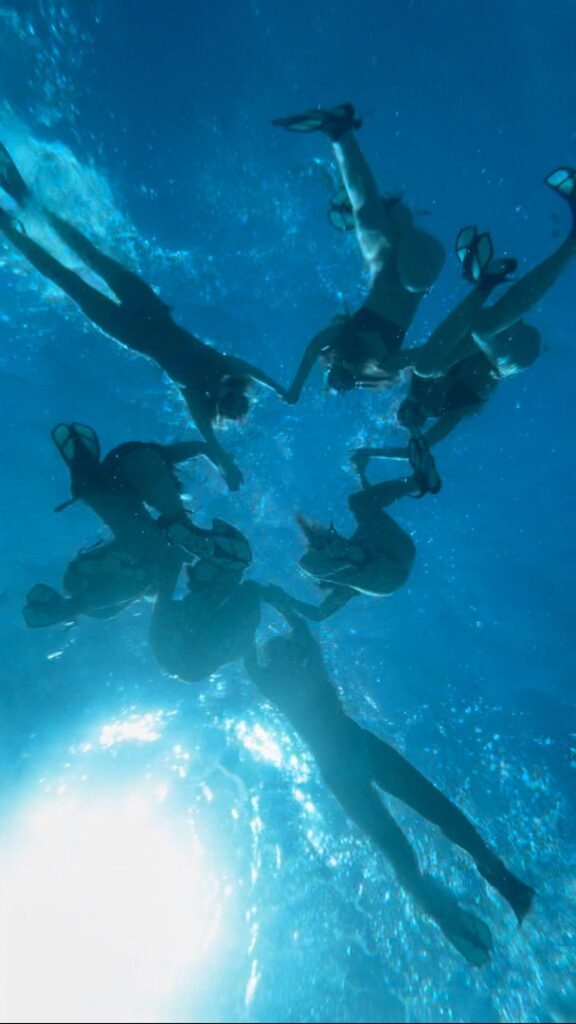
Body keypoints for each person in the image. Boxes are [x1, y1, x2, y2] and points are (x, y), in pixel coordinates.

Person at [245, 613, 535, 966]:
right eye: (282, 655)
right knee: (405, 843)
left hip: (353, 757)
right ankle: (452, 908)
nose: (286, 658)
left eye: (285, 652)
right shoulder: (290, 678)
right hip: (354, 758)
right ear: (280, 660)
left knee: (432, 816)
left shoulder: (295, 673)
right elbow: (271, 645)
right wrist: (269, 600)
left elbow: (284, 636)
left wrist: (266, 601)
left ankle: (497, 880)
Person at [0, 142, 287, 490]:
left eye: (227, 400)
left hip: (127, 331)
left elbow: (208, 437)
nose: (226, 390)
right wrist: (283, 390)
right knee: (89, 254)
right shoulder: (223, 363)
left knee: (66, 279)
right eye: (236, 394)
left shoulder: (195, 393)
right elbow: (255, 372)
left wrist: (227, 467)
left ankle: (9, 230)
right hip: (149, 306)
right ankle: (24, 195)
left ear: (217, 401)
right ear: (235, 387)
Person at [353, 169, 576, 474]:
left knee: (439, 356)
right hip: (510, 357)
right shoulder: (448, 410)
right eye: (413, 418)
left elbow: (399, 360)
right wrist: (372, 453)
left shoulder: (423, 379)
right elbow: (426, 444)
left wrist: (360, 368)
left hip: (489, 332)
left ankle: (491, 282)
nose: (411, 411)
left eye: (405, 410)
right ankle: (484, 286)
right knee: (475, 335)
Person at [272, 102, 445, 399]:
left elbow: (314, 348)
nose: (341, 378)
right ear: (359, 381)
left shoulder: (340, 338)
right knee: (412, 278)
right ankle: (398, 214)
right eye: (346, 385)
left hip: (385, 263)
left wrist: (295, 388)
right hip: (424, 261)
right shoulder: (386, 362)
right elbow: (428, 353)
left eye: (333, 378)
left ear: (331, 366)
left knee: (366, 216)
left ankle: (339, 132)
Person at [22, 424, 246, 627]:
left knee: (160, 530)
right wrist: (225, 463)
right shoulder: (152, 462)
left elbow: (129, 570)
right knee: (160, 526)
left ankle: (181, 537)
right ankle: (180, 536)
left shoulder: (83, 590)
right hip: (110, 491)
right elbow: (201, 447)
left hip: (119, 503)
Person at [292, 457, 440, 621]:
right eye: (330, 539)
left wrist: (361, 472)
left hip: (395, 559)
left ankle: (419, 481)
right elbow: (319, 612)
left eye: (333, 532)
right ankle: (420, 481)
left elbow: (372, 506)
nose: (336, 535)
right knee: (358, 504)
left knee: (359, 503)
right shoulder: (342, 580)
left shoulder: (357, 542)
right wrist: (283, 601)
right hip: (389, 575)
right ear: (326, 552)